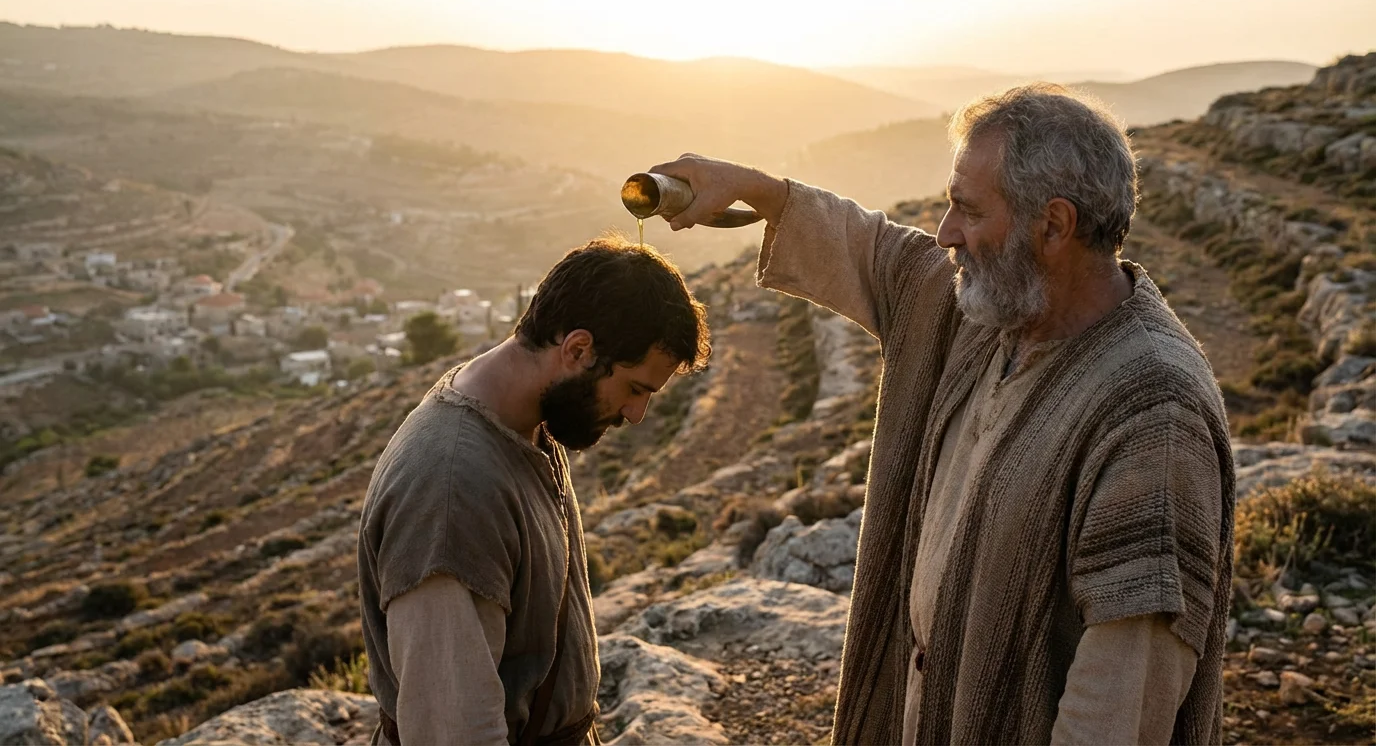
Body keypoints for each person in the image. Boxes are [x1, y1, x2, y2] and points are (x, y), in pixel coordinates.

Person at [650, 83, 1233, 745]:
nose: (945, 233)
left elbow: (1120, 706)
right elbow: (876, 250)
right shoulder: (994, 308)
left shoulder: (1154, 413)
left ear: (1054, 226)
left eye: (968, 210)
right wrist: (751, 188)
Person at [357, 237, 711, 746]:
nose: (636, 415)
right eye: (635, 389)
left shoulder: (531, 419)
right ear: (578, 349)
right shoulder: (450, 492)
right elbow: (453, 732)